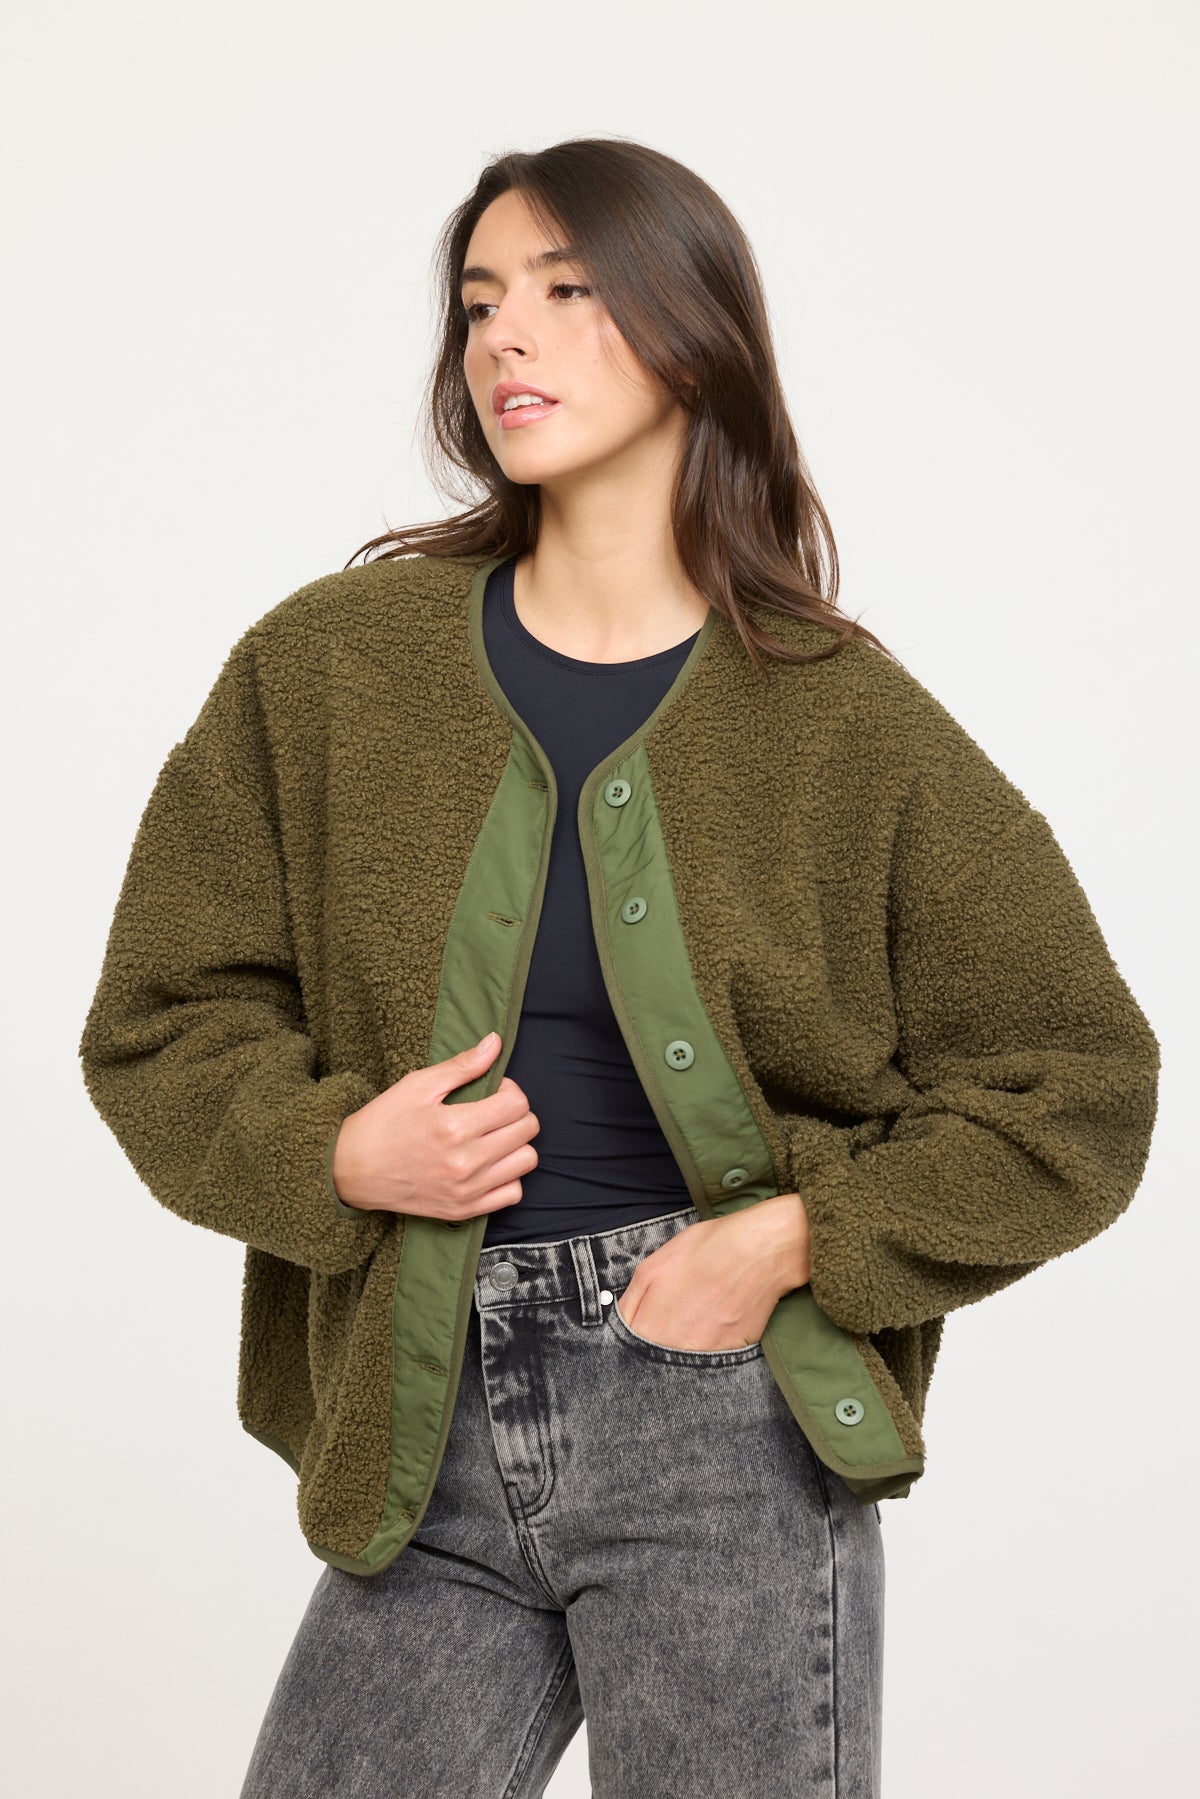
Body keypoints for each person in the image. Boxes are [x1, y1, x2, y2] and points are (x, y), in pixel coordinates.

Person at [77, 138, 1160, 1799]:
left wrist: (798, 1239)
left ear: (693, 338)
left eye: (568, 291)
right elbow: (161, 1017)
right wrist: (337, 1152)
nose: (504, 336)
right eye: (479, 302)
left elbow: (1078, 1084)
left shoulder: (843, 722)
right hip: (419, 1416)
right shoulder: (330, 666)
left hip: (720, 1426)